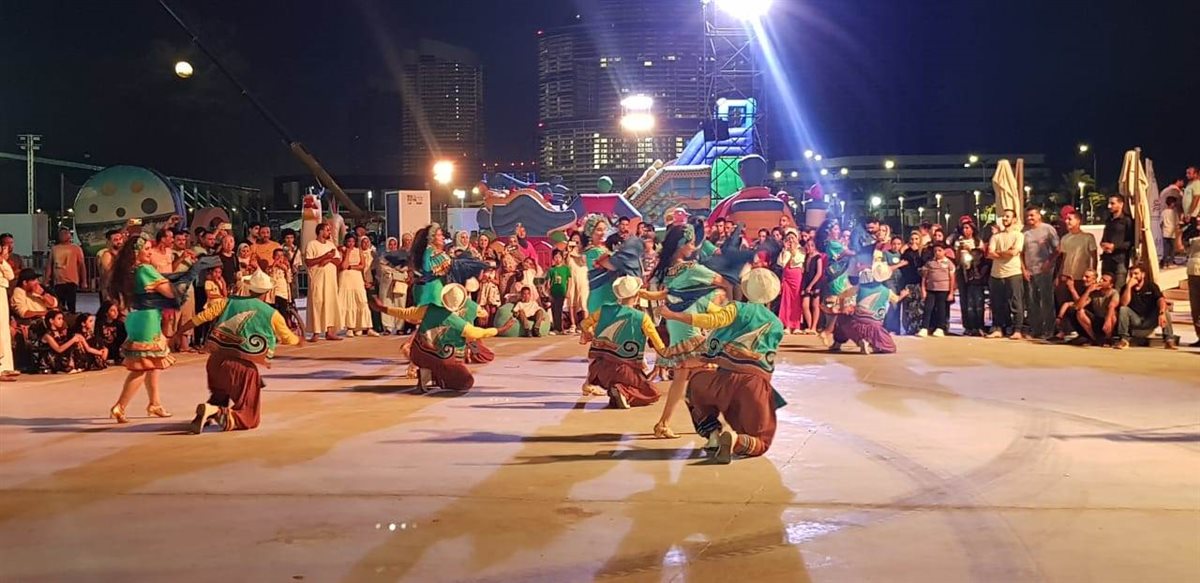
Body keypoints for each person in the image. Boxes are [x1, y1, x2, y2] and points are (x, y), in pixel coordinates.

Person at [660, 268, 785, 464]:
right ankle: (736, 441)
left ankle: (712, 435)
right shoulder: (776, 324)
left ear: (746, 290)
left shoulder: (736, 309)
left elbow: (714, 320)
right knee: (760, 440)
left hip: (721, 381)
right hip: (754, 385)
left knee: (695, 385)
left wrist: (675, 315)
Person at [178, 270, 301, 433]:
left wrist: (180, 331)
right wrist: (299, 340)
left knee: (220, 394)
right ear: (267, 292)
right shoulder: (271, 313)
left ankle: (206, 414)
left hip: (215, 362)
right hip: (240, 366)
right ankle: (215, 412)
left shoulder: (229, 301)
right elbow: (288, 338)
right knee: (249, 416)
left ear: (250, 288)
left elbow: (203, 317)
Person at [641, 222, 729, 439]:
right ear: (682, 244)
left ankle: (664, 423)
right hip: (688, 327)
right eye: (691, 243)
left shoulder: (667, 271)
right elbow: (722, 281)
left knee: (682, 378)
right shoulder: (691, 269)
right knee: (712, 372)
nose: (693, 247)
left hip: (677, 325)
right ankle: (715, 422)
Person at [371, 284, 512, 393]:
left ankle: (426, 375)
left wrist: (382, 308)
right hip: (444, 358)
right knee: (465, 382)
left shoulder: (429, 308)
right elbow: (477, 331)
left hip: (418, 352)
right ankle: (441, 375)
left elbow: (407, 312)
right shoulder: (457, 320)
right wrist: (500, 329)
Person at [106, 233, 177, 423]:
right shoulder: (145, 269)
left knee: (152, 362)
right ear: (136, 252)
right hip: (147, 319)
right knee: (142, 367)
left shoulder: (130, 271)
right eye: (146, 249)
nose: (150, 252)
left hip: (137, 316)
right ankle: (120, 406)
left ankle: (155, 403)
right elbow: (170, 292)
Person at [579, 275, 665, 408]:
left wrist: (590, 333)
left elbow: (584, 324)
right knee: (650, 393)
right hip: (625, 370)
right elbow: (659, 344)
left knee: (615, 382)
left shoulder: (604, 309)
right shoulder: (642, 317)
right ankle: (621, 390)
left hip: (599, 370)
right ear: (637, 296)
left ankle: (616, 390)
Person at [832, 262, 903, 354]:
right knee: (890, 348)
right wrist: (903, 295)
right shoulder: (887, 292)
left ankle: (839, 343)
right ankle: (870, 343)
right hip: (875, 326)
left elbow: (842, 295)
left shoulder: (860, 287)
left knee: (842, 318)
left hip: (856, 323)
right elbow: (896, 300)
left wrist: (842, 308)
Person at [1113, 266, 1176, 349]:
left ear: (1143, 274)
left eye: (1136, 274)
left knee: (1164, 309)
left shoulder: (1151, 286)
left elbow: (1160, 299)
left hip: (1150, 318)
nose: (1133, 276)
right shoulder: (1126, 287)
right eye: (1131, 274)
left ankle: (1169, 340)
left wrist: (1162, 313)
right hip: (1135, 319)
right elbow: (1124, 303)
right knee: (1123, 309)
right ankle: (1124, 340)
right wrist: (1128, 287)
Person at [1021, 204, 1060, 339]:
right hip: (1030, 271)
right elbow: (1021, 253)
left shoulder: (1048, 229)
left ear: (1039, 215)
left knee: (1046, 300)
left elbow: (1057, 249)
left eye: (1032, 215)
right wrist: (1024, 269)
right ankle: (1036, 329)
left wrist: (1048, 263)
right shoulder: (1024, 232)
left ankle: (1049, 329)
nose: (1029, 218)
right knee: (1032, 301)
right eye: (1027, 216)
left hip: (1045, 271)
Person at [987, 209, 1026, 339]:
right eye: (1003, 216)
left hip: (1013, 272)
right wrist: (1005, 253)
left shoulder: (1018, 235)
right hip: (996, 274)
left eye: (1008, 216)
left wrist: (999, 253)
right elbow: (990, 253)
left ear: (1014, 219)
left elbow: (1014, 252)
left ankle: (1017, 329)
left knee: (1015, 302)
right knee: (997, 303)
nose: (1004, 218)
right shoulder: (996, 237)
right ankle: (998, 328)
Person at [304, 222, 343, 341]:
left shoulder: (331, 244)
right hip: (317, 279)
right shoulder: (312, 244)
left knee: (330, 303)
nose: (329, 232)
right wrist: (325, 257)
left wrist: (329, 259)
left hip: (330, 280)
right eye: (327, 230)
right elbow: (309, 262)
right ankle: (316, 332)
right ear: (320, 231)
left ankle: (329, 331)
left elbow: (338, 261)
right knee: (317, 303)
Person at [338, 234, 374, 337]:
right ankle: (350, 327)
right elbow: (343, 266)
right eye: (349, 241)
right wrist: (347, 253)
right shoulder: (342, 251)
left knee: (362, 301)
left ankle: (366, 327)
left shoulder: (359, 251)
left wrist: (352, 267)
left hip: (357, 278)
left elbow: (362, 265)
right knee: (348, 302)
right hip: (345, 278)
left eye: (353, 241)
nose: (351, 243)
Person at [918, 243, 955, 337]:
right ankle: (924, 327)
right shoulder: (929, 263)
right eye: (935, 251)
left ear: (944, 251)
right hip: (931, 289)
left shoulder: (949, 263)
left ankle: (940, 328)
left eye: (939, 250)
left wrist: (951, 293)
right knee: (928, 308)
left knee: (941, 309)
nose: (937, 253)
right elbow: (924, 277)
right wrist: (923, 289)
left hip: (944, 289)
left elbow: (952, 278)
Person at [1100, 195, 1135, 292]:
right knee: (1105, 288)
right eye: (1109, 203)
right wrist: (1103, 244)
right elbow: (1105, 236)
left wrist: (1115, 247)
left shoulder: (1127, 220)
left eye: (1112, 203)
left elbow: (1131, 242)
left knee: (1118, 289)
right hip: (1107, 259)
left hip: (1120, 260)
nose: (1109, 206)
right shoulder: (1108, 220)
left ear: (1121, 204)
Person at [1073, 271, 1118, 346]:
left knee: (1113, 314)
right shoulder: (1095, 293)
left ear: (1110, 285)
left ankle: (1108, 339)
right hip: (1097, 319)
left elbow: (1112, 306)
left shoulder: (1114, 292)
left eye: (1104, 280)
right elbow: (1078, 306)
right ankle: (1095, 338)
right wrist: (1088, 291)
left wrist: (1107, 321)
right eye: (1101, 279)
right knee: (1080, 312)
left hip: (1108, 320)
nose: (1101, 281)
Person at [47, 227, 86, 313]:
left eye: (65, 233)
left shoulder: (76, 248)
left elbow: (81, 265)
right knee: (59, 305)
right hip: (58, 282)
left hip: (72, 281)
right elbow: (49, 265)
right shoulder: (54, 249)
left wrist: (84, 281)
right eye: (61, 234)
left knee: (71, 305)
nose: (62, 235)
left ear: (69, 235)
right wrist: (46, 280)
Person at [376, 237, 407, 335]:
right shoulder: (383, 256)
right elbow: (383, 268)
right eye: (390, 244)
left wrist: (395, 269)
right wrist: (394, 271)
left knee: (400, 303)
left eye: (394, 244)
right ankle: (387, 327)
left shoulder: (402, 255)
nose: (392, 246)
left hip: (399, 281)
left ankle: (400, 327)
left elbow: (405, 268)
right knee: (386, 303)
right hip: (387, 282)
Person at [777, 229, 806, 334]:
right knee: (786, 300)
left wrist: (793, 250)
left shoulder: (801, 250)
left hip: (796, 276)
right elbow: (781, 263)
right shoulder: (785, 250)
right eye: (788, 238)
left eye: (792, 238)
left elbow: (798, 260)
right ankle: (787, 325)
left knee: (796, 300)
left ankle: (796, 325)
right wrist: (785, 250)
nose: (791, 240)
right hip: (787, 276)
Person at [564, 233, 589, 332]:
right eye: (573, 240)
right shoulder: (568, 252)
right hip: (571, 279)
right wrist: (569, 251)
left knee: (583, 302)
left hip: (583, 279)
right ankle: (573, 324)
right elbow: (566, 263)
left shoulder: (585, 252)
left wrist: (576, 252)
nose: (575, 242)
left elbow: (583, 262)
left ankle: (585, 325)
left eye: (577, 241)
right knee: (571, 302)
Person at [0, 245, 17, 380]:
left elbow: (10, 275)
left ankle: (6, 367)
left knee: (4, 330)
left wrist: (2, 261)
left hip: (1, 292)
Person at [96, 229, 125, 304]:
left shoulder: (123, 254)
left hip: (122, 289)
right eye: (115, 240)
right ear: (109, 241)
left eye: (120, 239)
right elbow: (110, 272)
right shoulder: (106, 255)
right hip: (110, 291)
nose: (119, 242)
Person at [546, 250, 571, 334]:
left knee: (559, 309)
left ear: (562, 258)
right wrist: (549, 293)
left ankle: (560, 328)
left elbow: (569, 280)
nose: (557, 259)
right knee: (554, 309)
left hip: (561, 292)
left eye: (559, 257)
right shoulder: (551, 269)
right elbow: (548, 282)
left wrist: (568, 291)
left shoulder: (566, 268)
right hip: (553, 292)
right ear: (553, 258)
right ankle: (557, 328)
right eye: (555, 257)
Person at [1185, 217, 1200, 346]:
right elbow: (1180, 247)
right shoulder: (1192, 234)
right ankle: (1199, 336)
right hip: (1192, 273)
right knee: (1195, 307)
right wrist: (1179, 232)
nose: (1198, 220)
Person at [1161, 196, 1181, 268]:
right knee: (1172, 249)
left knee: (1165, 249)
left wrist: (1162, 230)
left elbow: (1161, 223)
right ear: (1172, 203)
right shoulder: (1174, 213)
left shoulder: (1163, 212)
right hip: (1172, 233)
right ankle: (1170, 263)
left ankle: (1164, 263)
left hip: (1165, 232)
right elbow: (1177, 224)